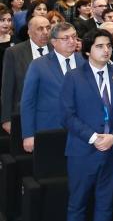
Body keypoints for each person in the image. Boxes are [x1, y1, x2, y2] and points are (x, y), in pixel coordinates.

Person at [62, 29, 113, 221]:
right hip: (83, 151)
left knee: (105, 205)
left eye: (109, 46)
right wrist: (94, 138)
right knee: (77, 205)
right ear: (87, 51)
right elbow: (68, 116)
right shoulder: (73, 77)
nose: (106, 50)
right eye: (100, 46)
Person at [20, 22, 83, 152]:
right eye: (65, 38)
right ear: (53, 42)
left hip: (81, 131)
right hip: (49, 128)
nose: (72, 41)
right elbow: (28, 102)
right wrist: (28, 134)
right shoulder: (38, 65)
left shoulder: (84, 62)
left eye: (74, 36)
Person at [1, 14, 51, 134]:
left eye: (48, 28)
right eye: (40, 29)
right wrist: (6, 118)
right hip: (22, 114)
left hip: (52, 115)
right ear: (29, 32)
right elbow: (7, 87)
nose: (45, 32)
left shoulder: (57, 50)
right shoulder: (14, 52)